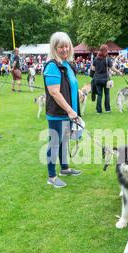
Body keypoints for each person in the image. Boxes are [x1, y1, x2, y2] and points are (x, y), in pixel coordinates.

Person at [43, 31, 82, 188]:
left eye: (67, 46)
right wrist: (69, 110)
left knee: (64, 141)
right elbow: (54, 92)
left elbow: (69, 85)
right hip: (58, 113)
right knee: (55, 143)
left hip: (68, 112)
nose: (65, 49)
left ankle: (65, 168)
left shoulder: (67, 64)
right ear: (54, 48)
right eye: (61, 47)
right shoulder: (52, 66)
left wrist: (76, 93)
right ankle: (51, 176)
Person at [91, 44, 122, 114]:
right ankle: (107, 109)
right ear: (105, 51)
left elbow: (93, 68)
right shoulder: (107, 59)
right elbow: (112, 68)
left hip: (97, 79)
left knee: (99, 95)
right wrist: (119, 72)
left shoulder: (96, 59)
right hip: (106, 79)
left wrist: (97, 69)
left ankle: (98, 111)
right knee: (107, 94)